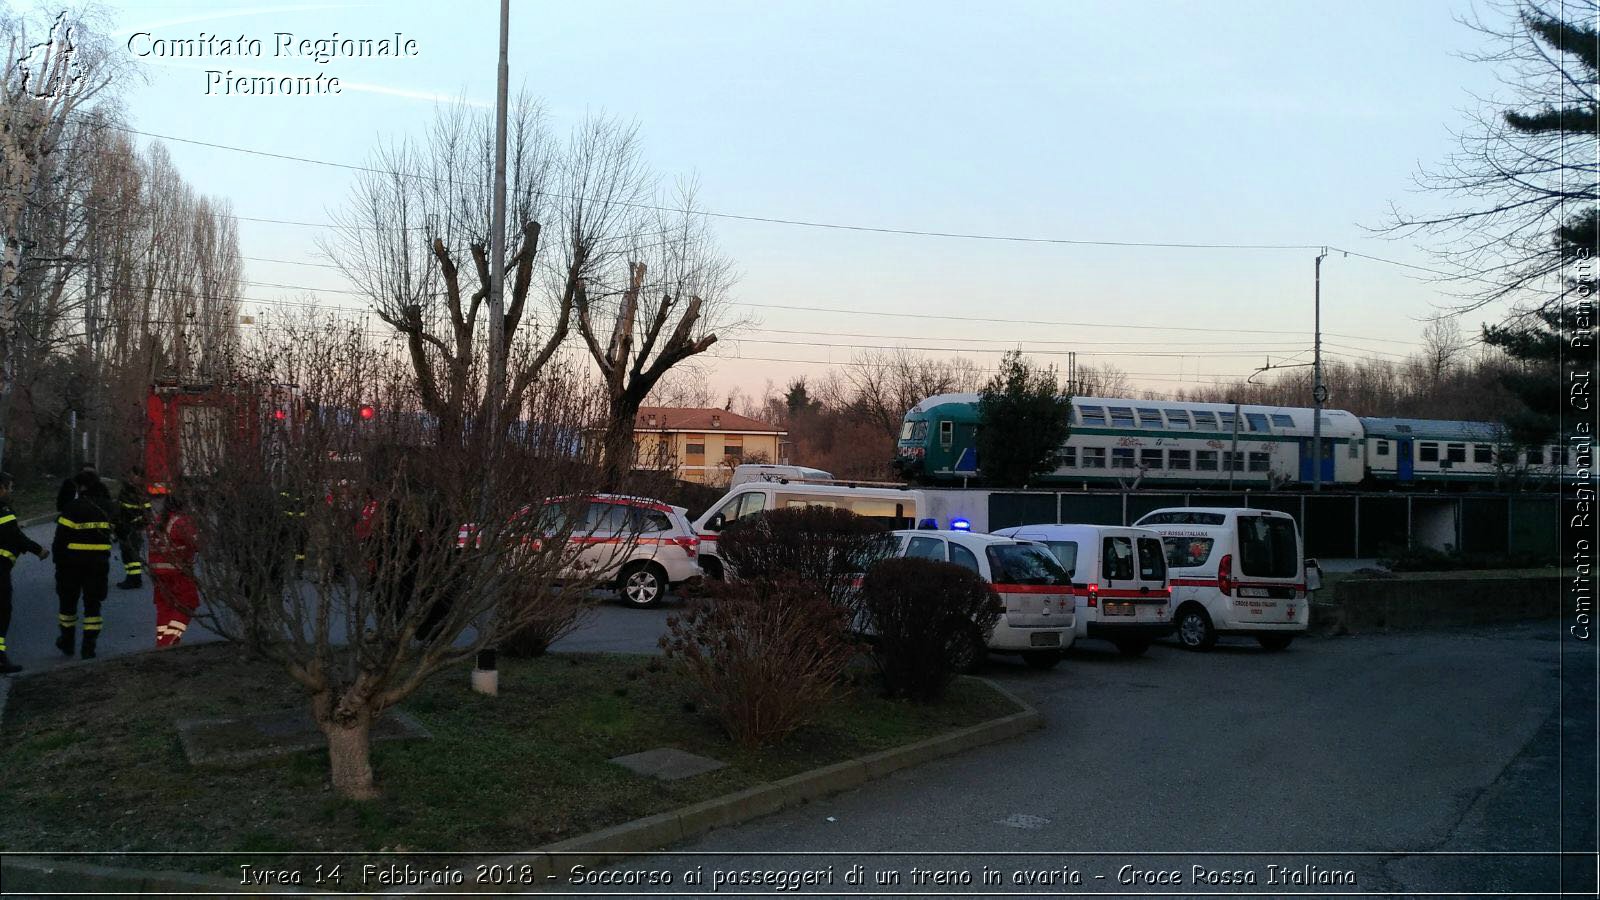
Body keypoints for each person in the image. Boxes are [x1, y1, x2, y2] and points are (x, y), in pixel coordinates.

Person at [54, 470, 115, 659]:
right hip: (98, 565)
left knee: (68, 606)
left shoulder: (72, 508)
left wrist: (58, 562)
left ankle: (67, 642)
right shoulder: (108, 508)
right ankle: (89, 647)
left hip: (71, 566)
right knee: (93, 606)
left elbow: (60, 539)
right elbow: (121, 531)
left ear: (82, 487)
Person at [0, 473, 48, 673]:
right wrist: (39, 550)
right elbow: (16, 537)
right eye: (9, 487)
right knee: (2, 611)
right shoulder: (4, 511)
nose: (11, 492)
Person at [147, 494, 199, 647]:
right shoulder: (181, 522)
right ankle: (169, 642)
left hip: (158, 573)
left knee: (165, 608)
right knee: (187, 605)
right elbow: (197, 543)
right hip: (178, 572)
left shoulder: (156, 522)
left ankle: (162, 641)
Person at [115, 466, 151, 590]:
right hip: (124, 527)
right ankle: (130, 577)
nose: (132, 477)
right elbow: (119, 508)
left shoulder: (140, 492)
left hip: (132, 528)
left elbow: (146, 512)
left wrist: (138, 525)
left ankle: (135, 579)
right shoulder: (126, 490)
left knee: (132, 556)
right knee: (126, 555)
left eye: (135, 475)